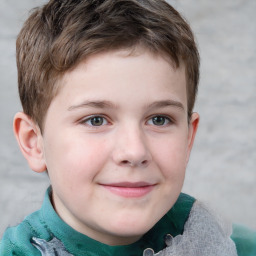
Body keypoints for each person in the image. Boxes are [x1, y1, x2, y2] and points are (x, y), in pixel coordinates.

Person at [0, 0, 255, 255]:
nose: (134, 152)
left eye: (159, 119)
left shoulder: (234, 247)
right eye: (96, 120)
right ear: (34, 142)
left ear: (188, 138)